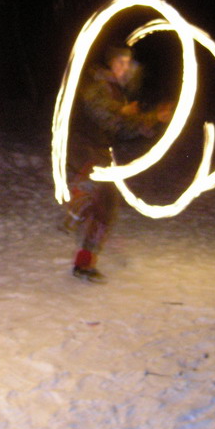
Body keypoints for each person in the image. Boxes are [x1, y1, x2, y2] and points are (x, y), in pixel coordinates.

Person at [65, 44, 173, 282]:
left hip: (100, 153)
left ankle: (83, 261)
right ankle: (75, 208)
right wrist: (129, 113)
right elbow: (106, 116)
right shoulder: (97, 85)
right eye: (120, 62)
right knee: (94, 200)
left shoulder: (119, 93)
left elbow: (121, 130)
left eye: (128, 63)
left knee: (106, 207)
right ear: (110, 63)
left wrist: (150, 121)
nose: (125, 68)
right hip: (83, 149)